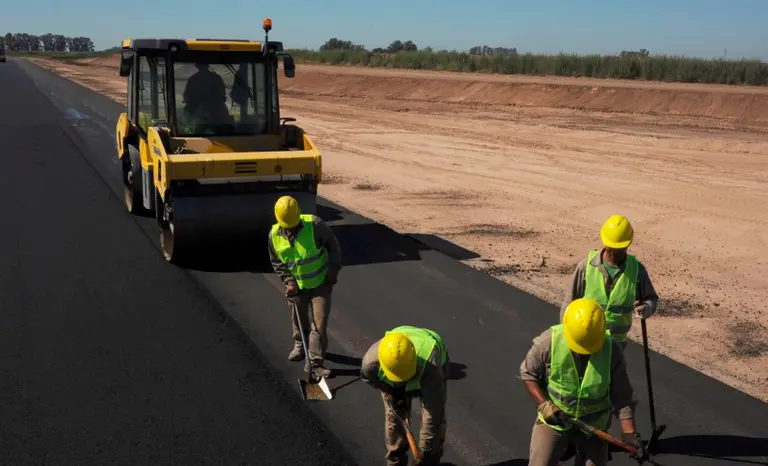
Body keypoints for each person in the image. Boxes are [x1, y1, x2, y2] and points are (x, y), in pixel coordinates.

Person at [521, 298, 647, 466]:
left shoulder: (611, 350)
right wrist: (544, 405)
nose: (583, 353)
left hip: (594, 426)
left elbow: (623, 396)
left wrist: (630, 434)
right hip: (555, 421)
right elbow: (528, 374)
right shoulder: (549, 342)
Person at [268, 195, 342, 378]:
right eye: (287, 226)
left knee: (319, 324)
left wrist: (333, 272)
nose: (290, 228)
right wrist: (289, 281)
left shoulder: (315, 225)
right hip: (297, 286)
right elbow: (277, 262)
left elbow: (334, 246)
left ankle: (315, 362)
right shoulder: (274, 236)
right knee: (298, 319)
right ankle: (300, 345)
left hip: (320, 284)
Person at [561, 214, 659, 349]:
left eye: (618, 248)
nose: (613, 252)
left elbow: (651, 299)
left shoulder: (637, 271)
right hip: (586, 341)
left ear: (628, 244)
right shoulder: (586, 267)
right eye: (610, 247)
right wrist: (566, 337)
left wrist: (646, 308)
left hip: (616, 345)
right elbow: (569, 305)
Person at [360, 326, 450, 466]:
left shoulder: (431, 364)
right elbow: (370, 380)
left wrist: (425, 450)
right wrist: (391, 391)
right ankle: (395, 461)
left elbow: (432, 412)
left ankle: (431, 460)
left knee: (435, 425)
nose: (403, 382)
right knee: (394, 419)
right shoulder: (370, 364)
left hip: (429, 367)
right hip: (393, 383)